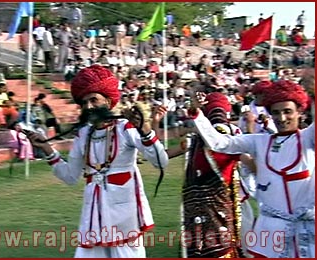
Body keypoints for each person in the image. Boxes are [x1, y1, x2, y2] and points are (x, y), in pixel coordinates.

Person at [26, 65, 169, 258]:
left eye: (94, 100)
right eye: (84, 102)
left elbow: (161, 162)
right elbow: (70, 176)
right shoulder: (83, 135)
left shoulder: (125, 128)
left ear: (108, 101)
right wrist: (46, 149)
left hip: (124, 214)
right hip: (93, 214)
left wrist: (145, 130)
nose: (89, 107)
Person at [188, 80, 314, 258]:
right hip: (270, 232)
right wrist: (196, 113)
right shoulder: (259, 142)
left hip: (306, 232)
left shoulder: (309, 138)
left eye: (288, 112)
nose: (282, 118)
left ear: (299, 112)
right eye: (276, 112)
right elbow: (220, 143)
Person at [167, 92, 253, 258]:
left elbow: (247, 159)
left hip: (228, 204)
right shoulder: (195, 140)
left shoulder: (228, 137)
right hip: (210, 207)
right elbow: (164, 156)